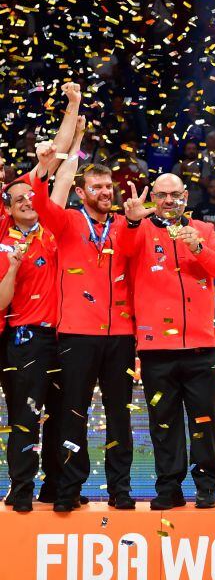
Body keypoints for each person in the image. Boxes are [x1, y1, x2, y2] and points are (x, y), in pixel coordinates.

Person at [33, 101, 138, 512]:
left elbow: (131, 255)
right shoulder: (68, 222)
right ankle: (69, 489)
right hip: (76, 333)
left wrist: (131, 222)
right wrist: (45, 168)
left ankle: (120, 490)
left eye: (108, 186)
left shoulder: (126, 223)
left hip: (120, 336)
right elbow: (42, 205)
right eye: (96, 187)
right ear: (81, 193)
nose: (105, 192)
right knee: (72, 415)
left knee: (120, 417)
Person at [121, 174, 215, 508]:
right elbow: (122, 253)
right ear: (153, 197)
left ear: (186, 196)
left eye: (175, 194)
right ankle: (169, 488)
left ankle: (207, 486)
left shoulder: (205, 231)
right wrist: (130, 220)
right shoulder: (139, 229)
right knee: (163, 423)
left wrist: (196, 246)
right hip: (156, 350)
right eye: (161, 195)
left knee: (205, 421)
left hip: (201, 346)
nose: (168, 200)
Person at [0, 135, 78, 511]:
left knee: (64, 417)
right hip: (25, 340)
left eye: (31, 199)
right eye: (20, 201)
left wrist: (77, 137)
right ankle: (21, 491)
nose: (28, 203)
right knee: (25, 418)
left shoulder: (53, 232)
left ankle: (56, 488)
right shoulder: (5, 247)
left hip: (63, 341)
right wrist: (13, 267)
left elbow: (63, 179)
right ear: (9, 212)